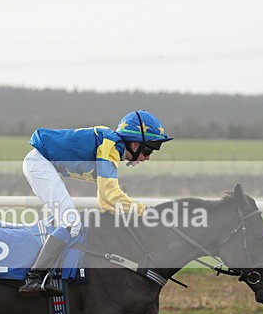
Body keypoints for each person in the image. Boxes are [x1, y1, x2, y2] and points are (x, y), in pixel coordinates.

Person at [19, 109, 173, 295]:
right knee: (71, 222)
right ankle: (34, 277)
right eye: (148, 150)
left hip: (42, 163)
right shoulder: (111, 146)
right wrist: (143, 211)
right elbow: (108, 197)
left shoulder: (111, 145)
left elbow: (107, 201)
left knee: (68, 219)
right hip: (40, 164)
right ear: (134, 144)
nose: (147, 157)